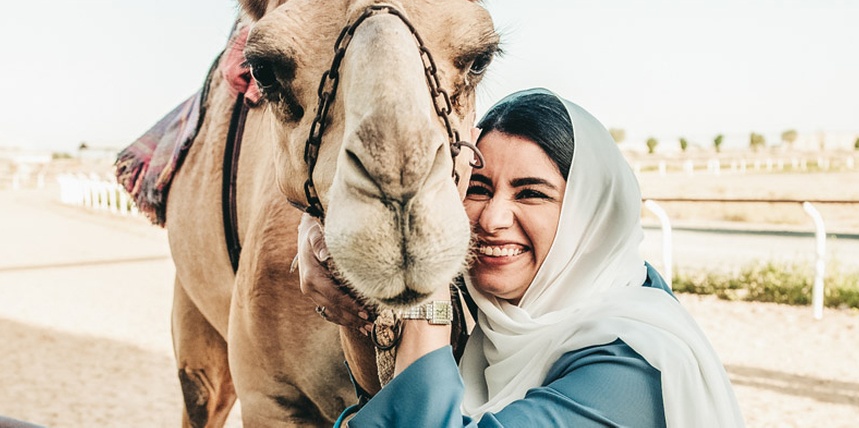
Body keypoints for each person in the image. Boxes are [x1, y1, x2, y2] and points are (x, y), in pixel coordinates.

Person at [297, 88, 744, 426]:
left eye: (531, 194)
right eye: (476, 189)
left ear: (589, 219)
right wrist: (319, 230)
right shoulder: (513, 321)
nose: (492, 218)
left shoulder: (630, 363)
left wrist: (428, 268)